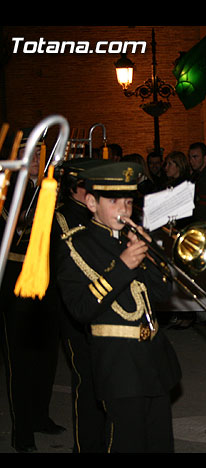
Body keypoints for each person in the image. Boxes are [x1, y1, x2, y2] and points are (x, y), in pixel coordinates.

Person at [56, 161, 182, 453]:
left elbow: (164, 290)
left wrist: (150, 256)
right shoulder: (75, 245)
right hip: (117, 364)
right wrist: (123, 266)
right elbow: (81, 308)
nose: (123, 210)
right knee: (127, 441)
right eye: (113, 201)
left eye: (127, 201)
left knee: (160, 442)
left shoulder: (131, 238)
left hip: (153, 357)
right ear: (91, 202)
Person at [0, 131, 65, 453]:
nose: (38, 161)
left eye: (40, 155)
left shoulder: (50, 188)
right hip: (17, 276)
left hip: (48, 277)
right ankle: (21, 429)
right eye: (31, 155)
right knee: (20, 358)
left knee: (47, 353)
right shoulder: (6, 189)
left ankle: (41, 415)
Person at [51, 157, 108, 453]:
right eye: (91, 185)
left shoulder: (96, 213)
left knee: (105, 378)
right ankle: (85, 445)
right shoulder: (62, 219)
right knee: (86, 382)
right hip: (77, 310)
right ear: (77, 188)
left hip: (104, 305)